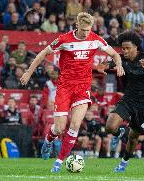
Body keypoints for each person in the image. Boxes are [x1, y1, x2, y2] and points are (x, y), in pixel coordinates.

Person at [20, 12, 124, 172]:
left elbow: (115, 54)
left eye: (88, 30)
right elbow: (42, 54)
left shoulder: (95, 39)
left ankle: (59, 162)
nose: (86, 33)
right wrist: (28, 72)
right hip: (64, 88)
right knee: (59, 128)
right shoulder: (64, 39)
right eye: (83, 30)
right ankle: (49, 140)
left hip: (82, 89)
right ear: (77, 26)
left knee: (75, 124)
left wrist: (119, 65)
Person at [97, 31, 144, 172]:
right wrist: (102, 67)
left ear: (136, 47)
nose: (124, 51)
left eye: (127, 48)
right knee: (110, 126)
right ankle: (120, 134)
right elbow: (106, 64)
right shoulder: (121, 60)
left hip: (143, 105)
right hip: (128, 100)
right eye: (123, 48)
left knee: (134, 137)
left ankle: (124, 163)